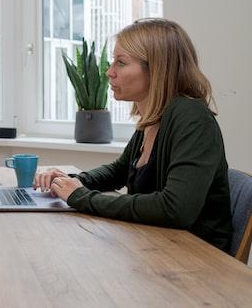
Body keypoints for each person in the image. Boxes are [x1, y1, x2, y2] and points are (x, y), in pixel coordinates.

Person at [34, 18, 232, 251]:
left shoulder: (192, 119)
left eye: (121, 63)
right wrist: (74, 181)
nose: (109, 72)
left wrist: (82, 197)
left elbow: (175, 208)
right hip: (155, 248)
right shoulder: (154, 117)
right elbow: (119, 170)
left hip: (197, 262)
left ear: (156, 69)